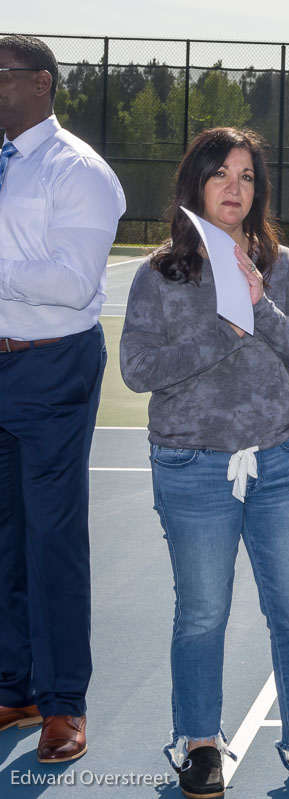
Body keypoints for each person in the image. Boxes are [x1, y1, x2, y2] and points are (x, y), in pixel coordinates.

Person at [120, 127, 289, 797]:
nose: (236, 186)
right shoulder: (160, 272)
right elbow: (138, 370)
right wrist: (219, 332)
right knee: (202, 613)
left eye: (247, 176)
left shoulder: (280, 265)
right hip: (191, 468)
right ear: (195, 184)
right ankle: (199, 743)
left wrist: (261, 307)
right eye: (222, 173)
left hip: (277, 463)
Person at [0, 34, 125, 764]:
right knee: (5, 536)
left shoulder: (80, 172)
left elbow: (73, 281)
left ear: (41, 83)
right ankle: (13, 686)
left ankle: (62, 703)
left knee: (51, 538)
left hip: (51, 369)